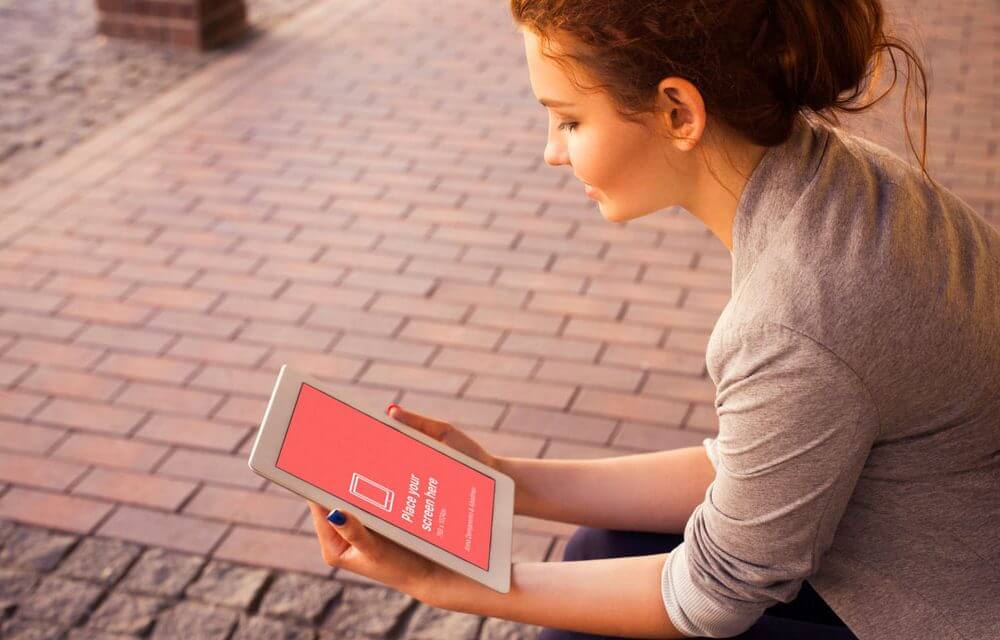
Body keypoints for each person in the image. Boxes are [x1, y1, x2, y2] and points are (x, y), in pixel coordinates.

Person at [305, 1, 1000, 638]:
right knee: (598, 548)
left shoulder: (794, 318)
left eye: (569, 119)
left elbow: (714, 593)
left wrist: (447, 583)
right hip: (927, 562)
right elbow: (752, 464)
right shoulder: (840, 181)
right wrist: (500, 481)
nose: (552, 151)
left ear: (677, 112)